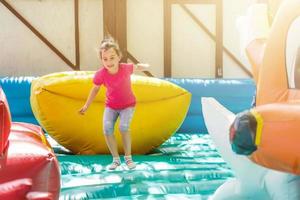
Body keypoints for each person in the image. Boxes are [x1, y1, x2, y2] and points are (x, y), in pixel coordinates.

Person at [78, 37, 149, 170]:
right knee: (107, 128)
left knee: (123, 127)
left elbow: (136, 67)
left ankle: (128, 158)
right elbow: (95, 89)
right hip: (111, 106)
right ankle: (116, 159)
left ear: (118, 57)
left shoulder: (125, 68)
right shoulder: (101, 74)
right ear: (101, 60)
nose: (109, 62)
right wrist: (86, 105)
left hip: (128, 105)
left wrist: (144, 66)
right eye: (105, 59)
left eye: (112, 57)